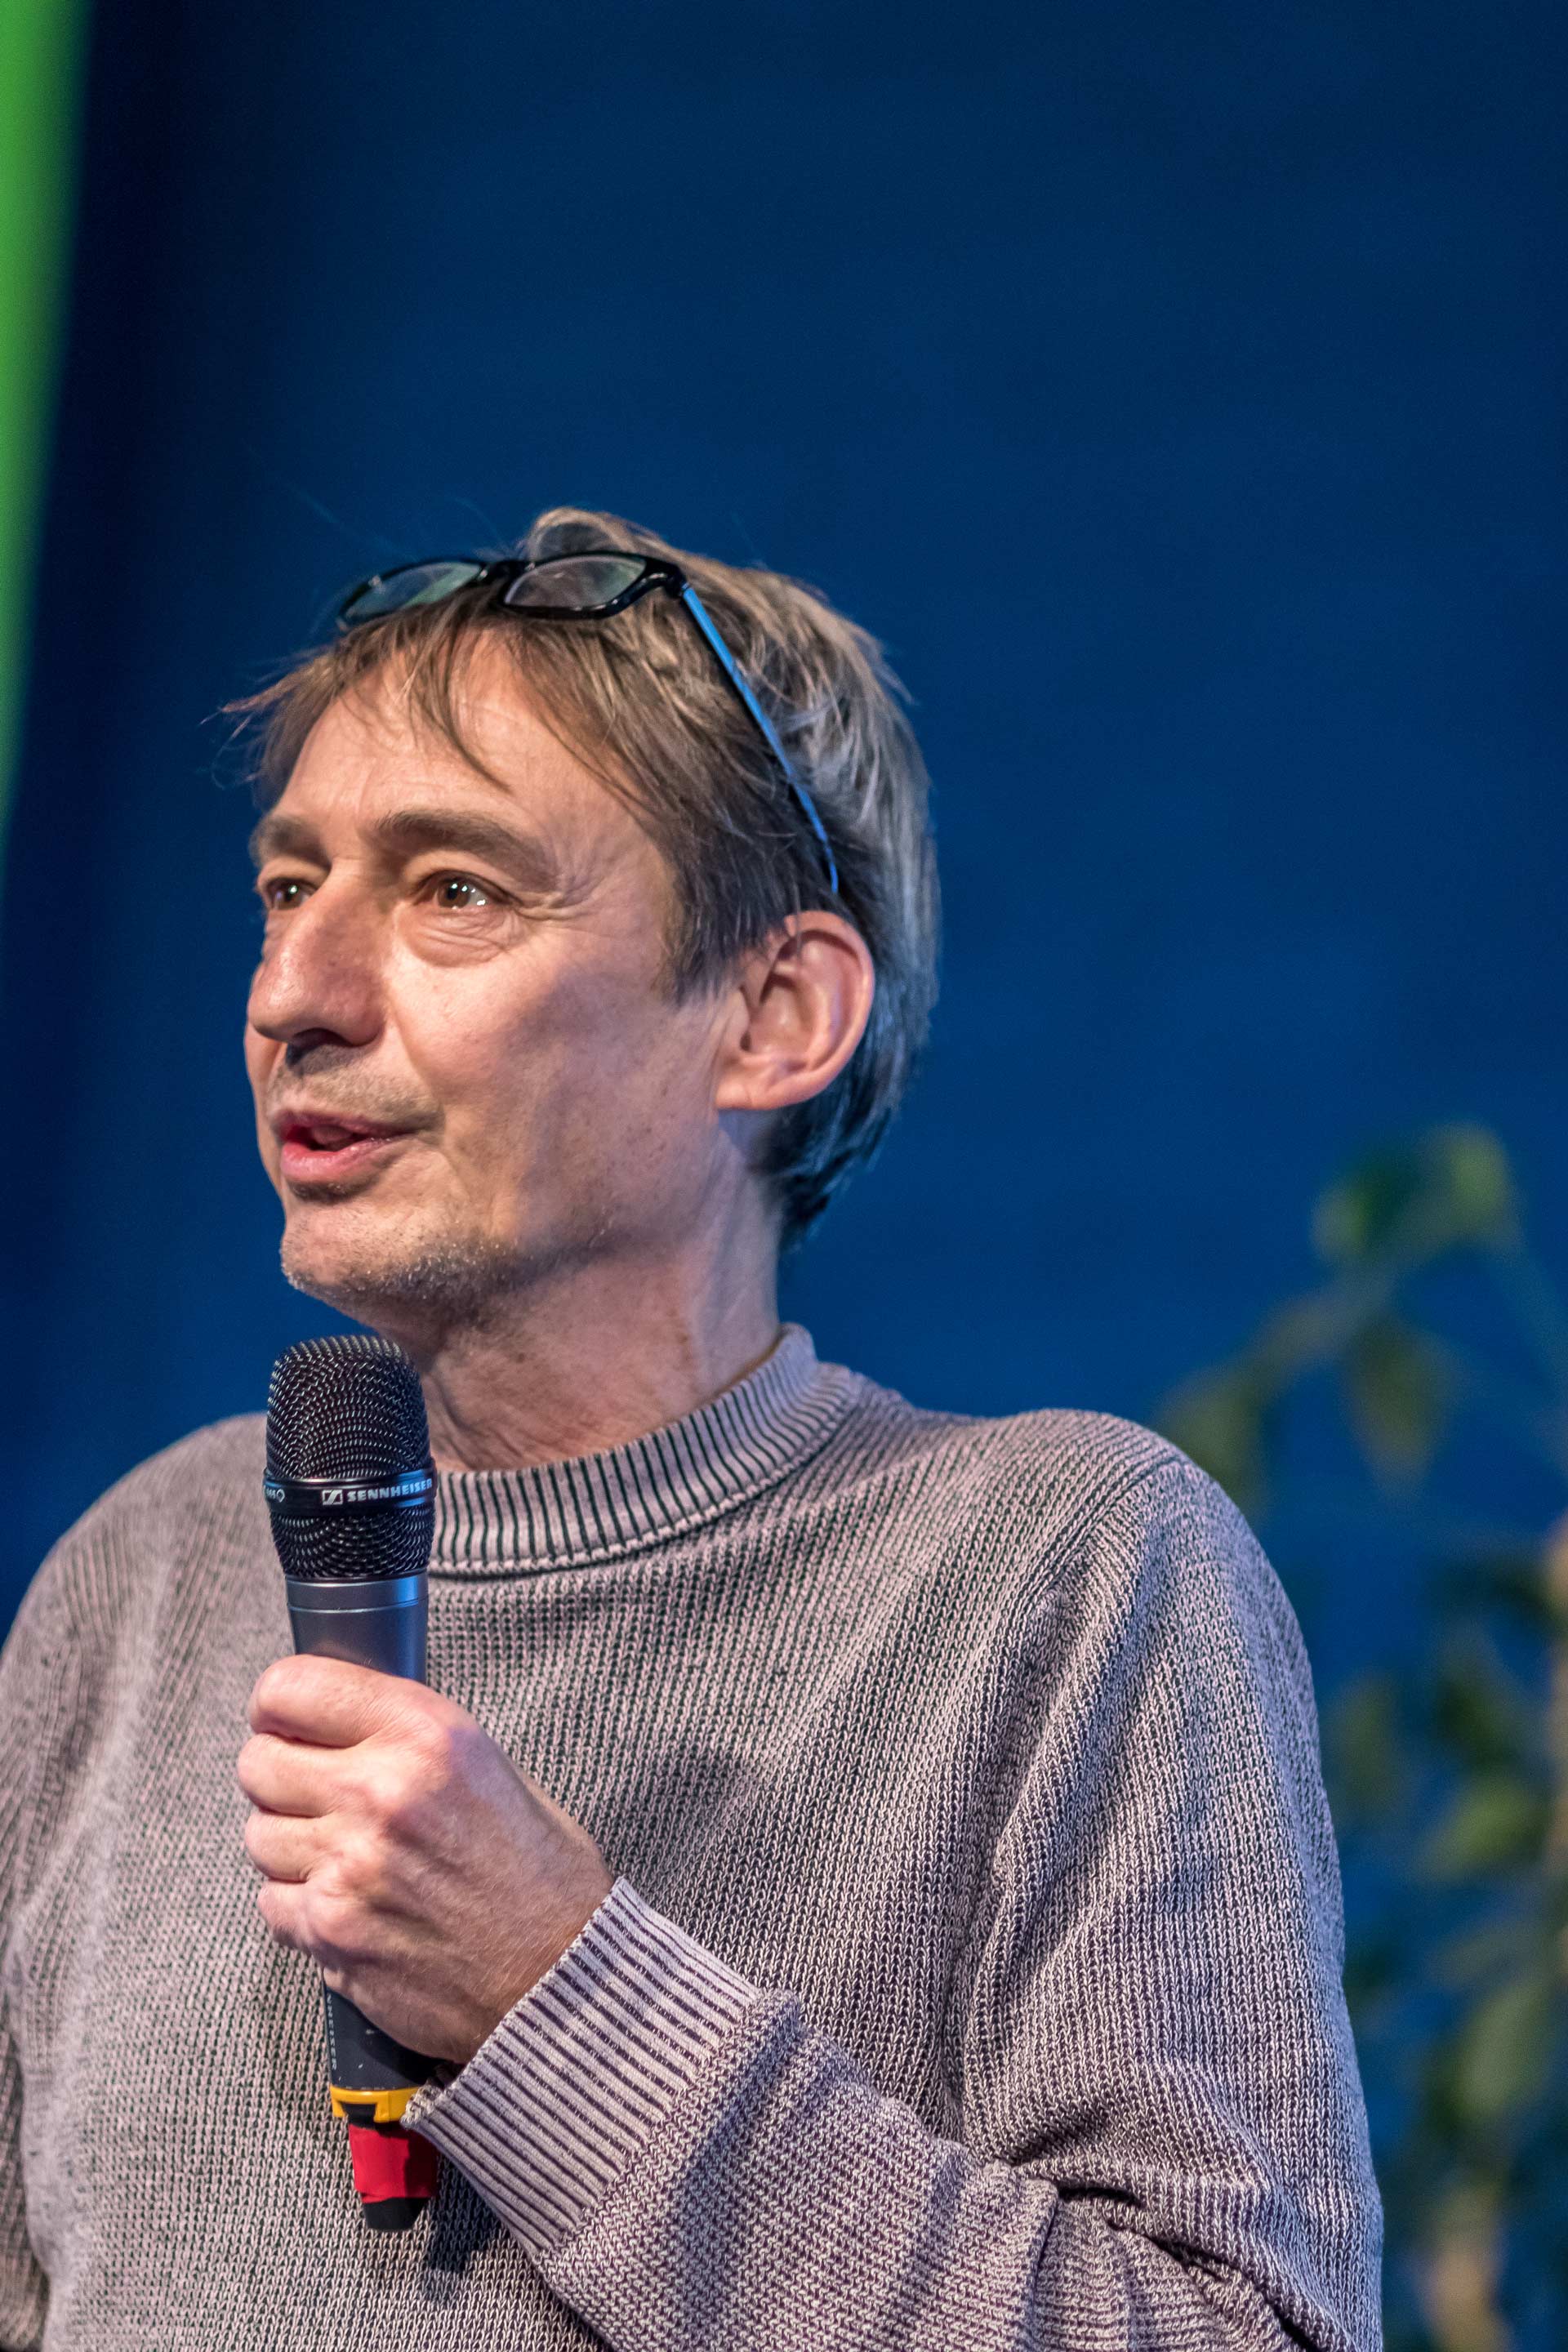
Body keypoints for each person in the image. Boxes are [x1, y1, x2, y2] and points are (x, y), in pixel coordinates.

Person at [0, 507, 1380, 2351]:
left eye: (453, 892)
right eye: (286, 887)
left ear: (775, 1012)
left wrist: (560, 1999)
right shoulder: (138, 1576)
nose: (293, 1000)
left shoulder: (1065, 1573)